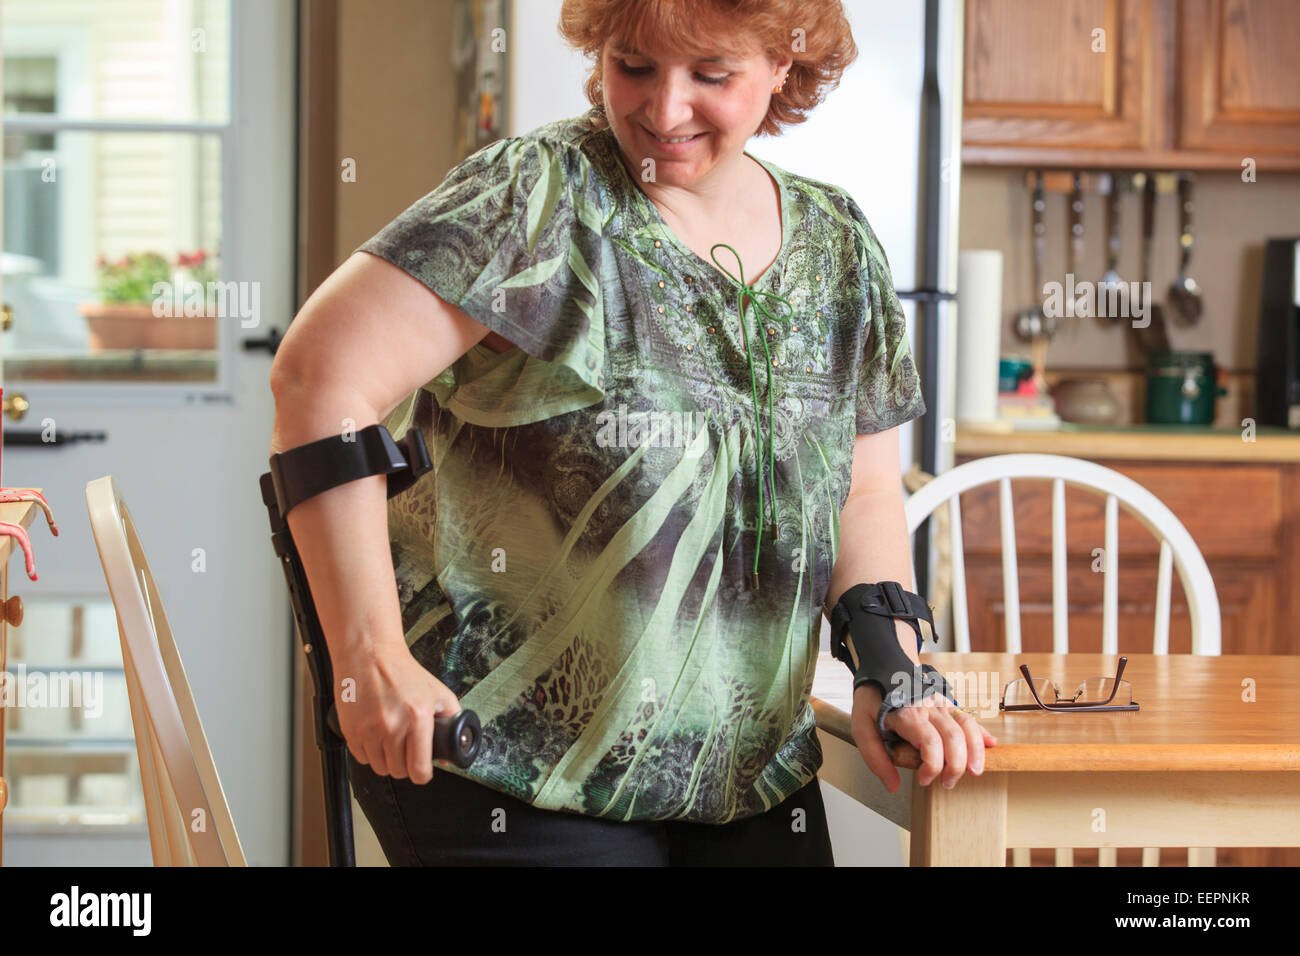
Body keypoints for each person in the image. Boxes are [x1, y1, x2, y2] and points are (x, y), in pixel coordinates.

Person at [268, 0, 995, 867]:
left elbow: (865, 488)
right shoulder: (533, 196)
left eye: (711, 76)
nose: (662, 107)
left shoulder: (836, 243)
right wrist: (370, 654)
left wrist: (893, 659)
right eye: (634, 65)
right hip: (505, 763)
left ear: (784, 69)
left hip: (747, 775)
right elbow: (320, 382)